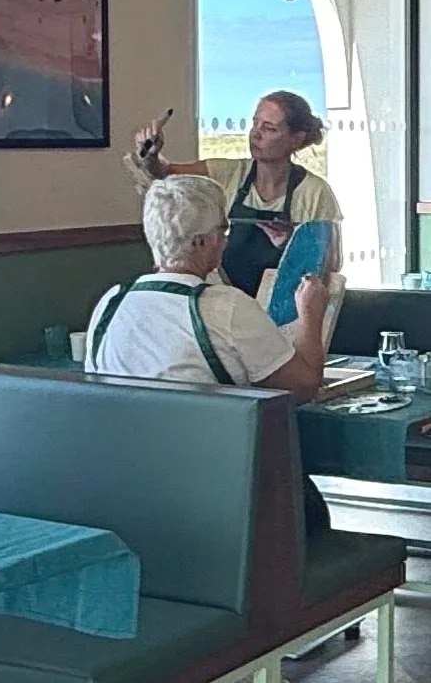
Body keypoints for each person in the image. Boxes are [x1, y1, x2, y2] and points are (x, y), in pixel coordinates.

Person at [85, 174, 331, 536]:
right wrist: (311, 313)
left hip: (129, 492)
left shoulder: (111, 303)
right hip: (221, 495)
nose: (226, 236)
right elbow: (305, 385)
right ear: (202, 242)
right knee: (310, 508)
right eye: (223, 228)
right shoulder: (224, 308)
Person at [133, 90, 341, 298]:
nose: (256, 134)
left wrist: (292, 243)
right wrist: (151, 155)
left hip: (287, 306)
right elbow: (166, 174)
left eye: (269, 128)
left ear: (296, 139)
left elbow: (332, 263)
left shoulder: (315, 193)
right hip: (225, 298)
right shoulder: (229, 173)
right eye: (255, 124)